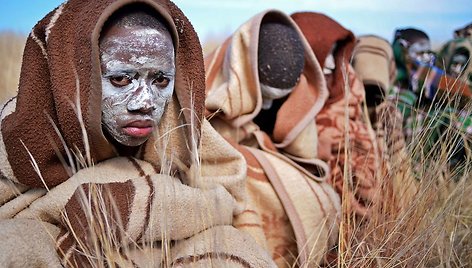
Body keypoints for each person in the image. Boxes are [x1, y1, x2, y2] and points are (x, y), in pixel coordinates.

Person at [0, 1, 275, 267]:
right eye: (121, 79)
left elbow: (227, 201)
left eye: (161, 80)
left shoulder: (181, 120)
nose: (145, 102)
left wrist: (133, 206)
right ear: (76, 75)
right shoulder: (24, 126)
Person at [205, 10, 340, 267]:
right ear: (244, 73)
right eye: (262, 93)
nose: (267, 104)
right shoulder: (211, 85)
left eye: (277, 97)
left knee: (327, 200)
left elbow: (303, 153)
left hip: (279, 172)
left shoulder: (298, 96)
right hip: (232, 178)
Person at [291, 12, 381, 218]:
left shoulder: (349, 93)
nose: (331, 62)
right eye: (324, 52)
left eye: (335, 53)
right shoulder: (277, 109)